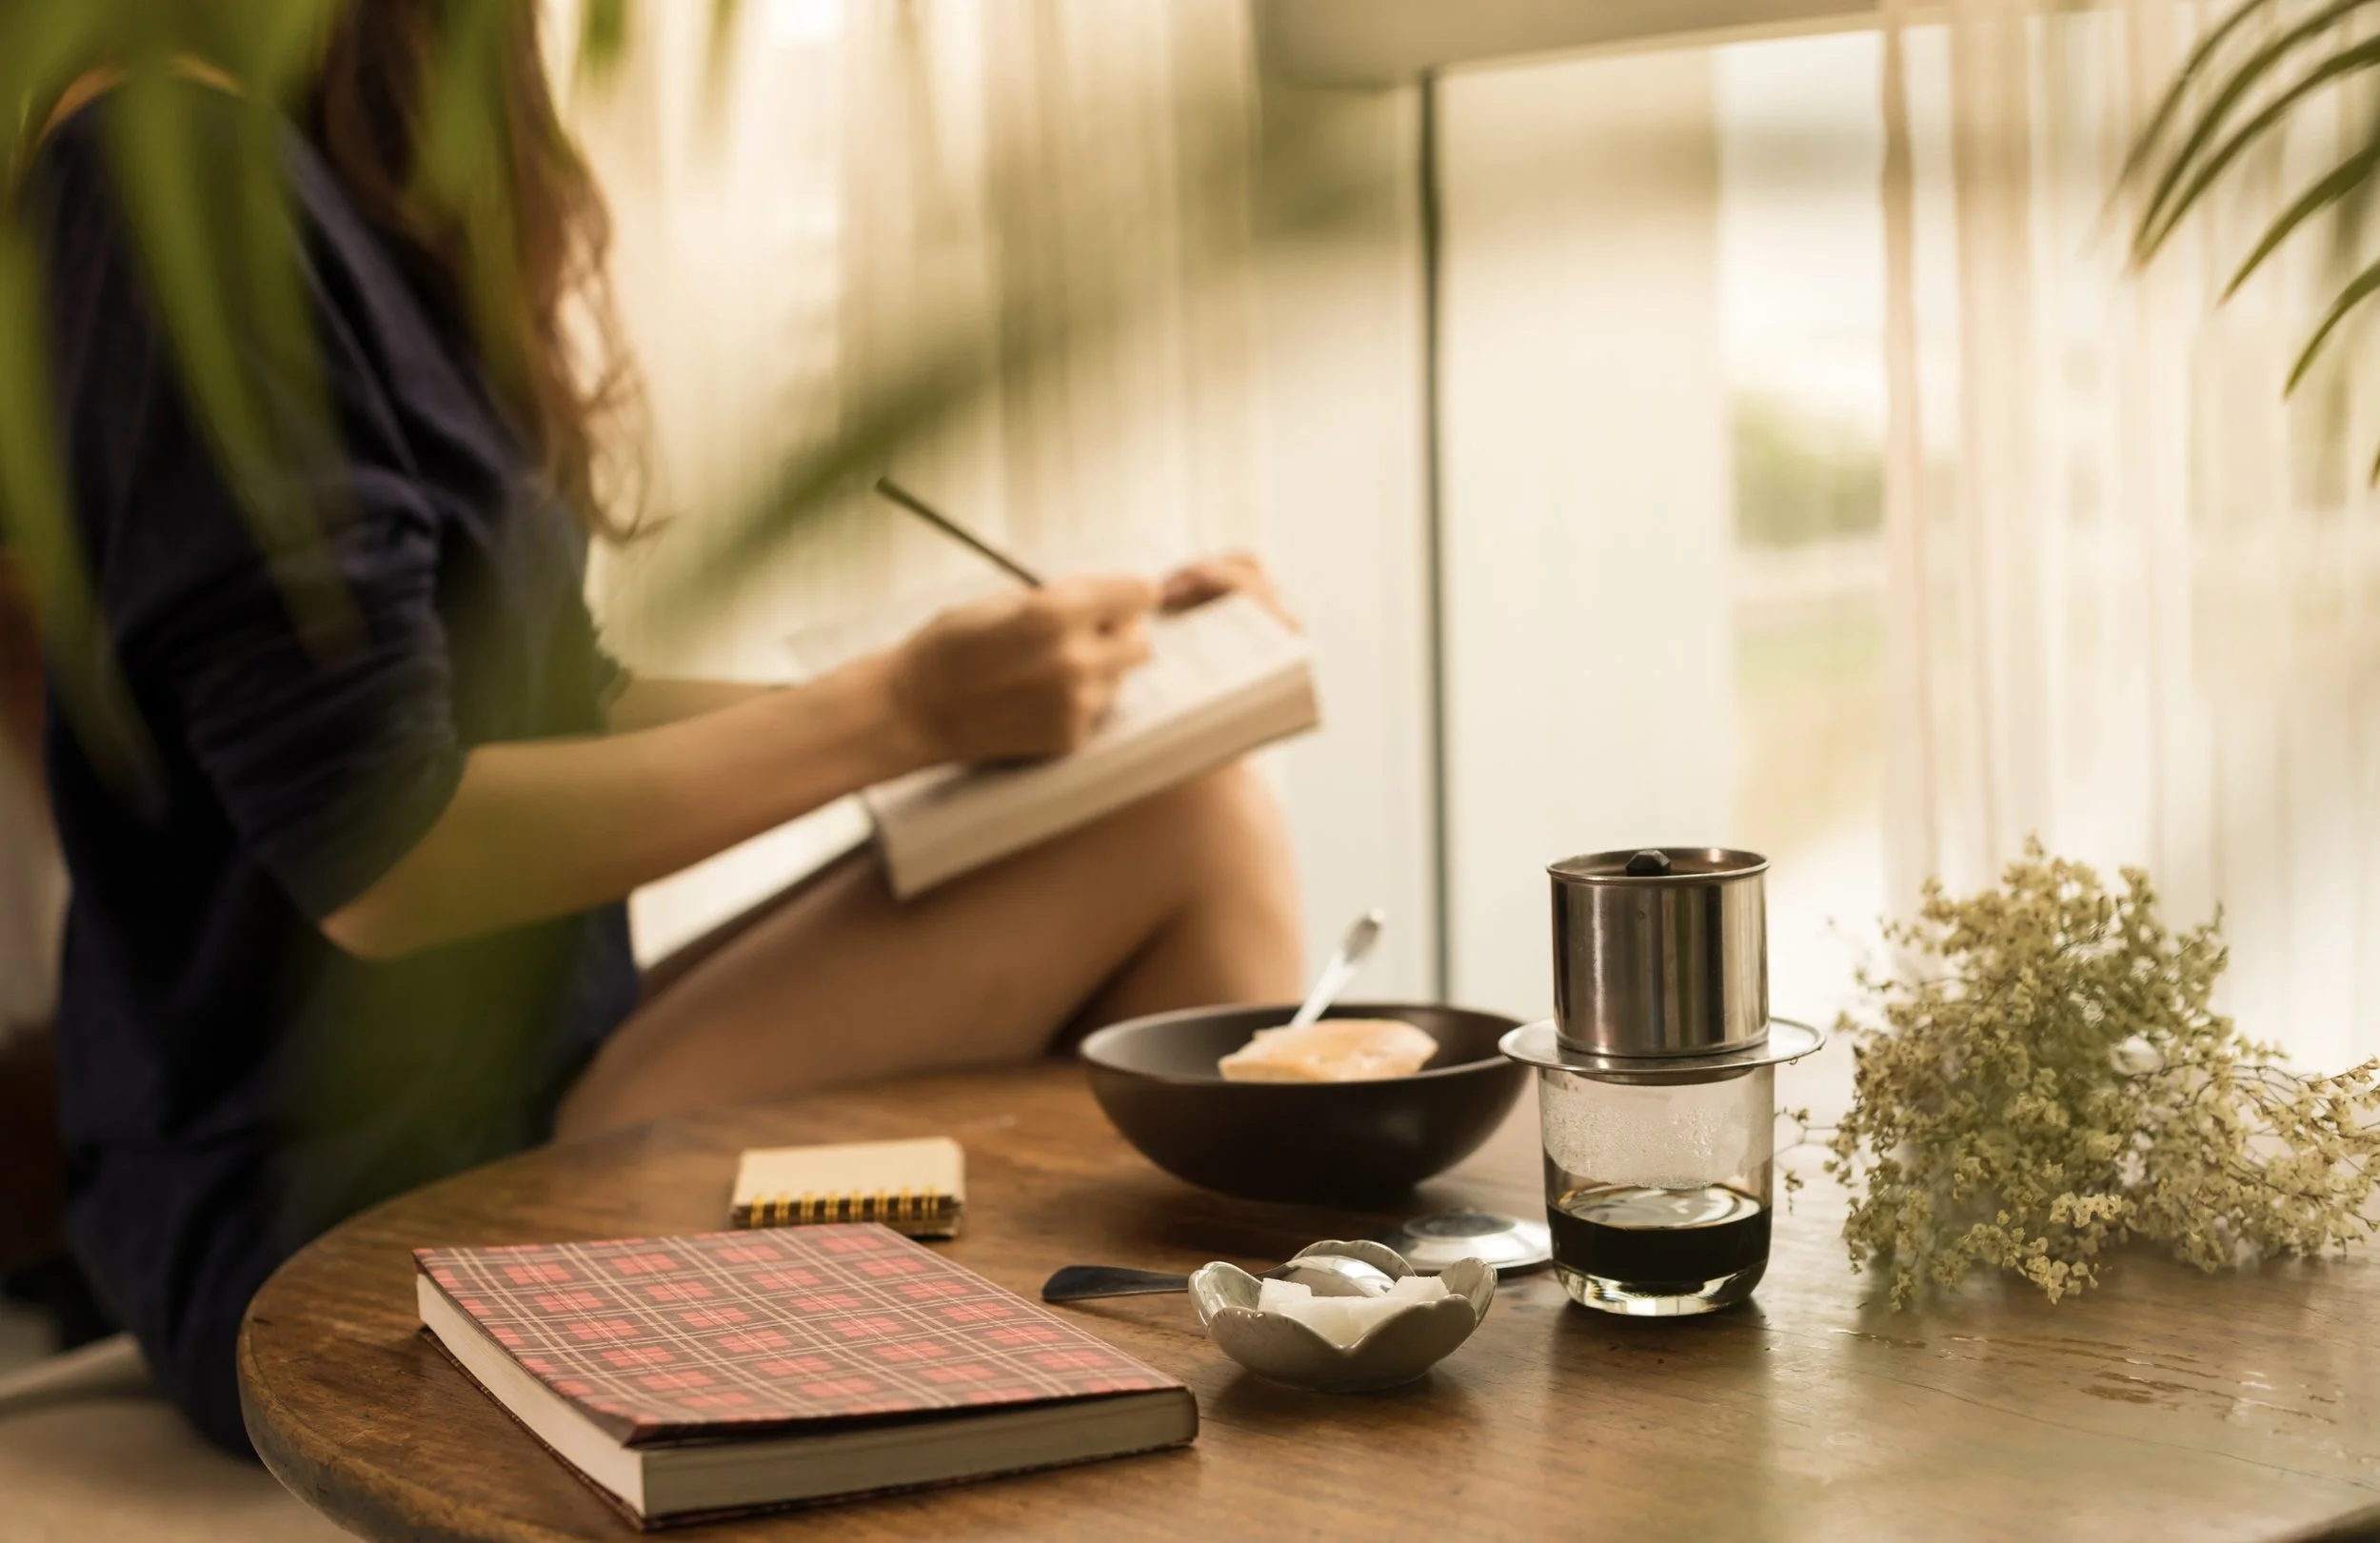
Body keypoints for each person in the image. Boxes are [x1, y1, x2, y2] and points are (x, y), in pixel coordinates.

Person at [22, 3, 1302, 1454]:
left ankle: (1179, 1401)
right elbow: (382, 854)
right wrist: (900, 712)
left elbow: (558, 705)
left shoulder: (355, 164)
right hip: (327, 1205)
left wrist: (1023, 694)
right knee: (1191, 837)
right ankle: (1224, 1429)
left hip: (528, 1084)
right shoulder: (166, 168)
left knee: (1170, 805)